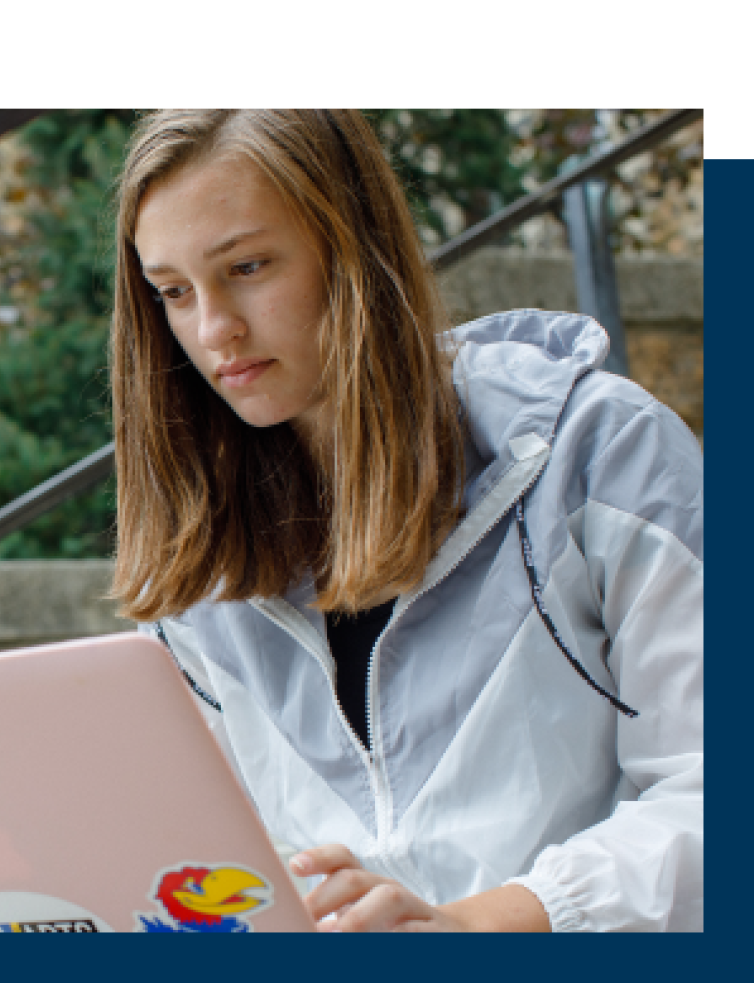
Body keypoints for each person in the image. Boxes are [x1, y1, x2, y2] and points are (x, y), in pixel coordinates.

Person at [110, 109, 703, 932]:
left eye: (247, 266)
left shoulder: (604, 451)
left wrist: (471, 926)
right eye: (173, 292)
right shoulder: (201, 562)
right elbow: (202, 876)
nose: (213, 330)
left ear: (355, 246)